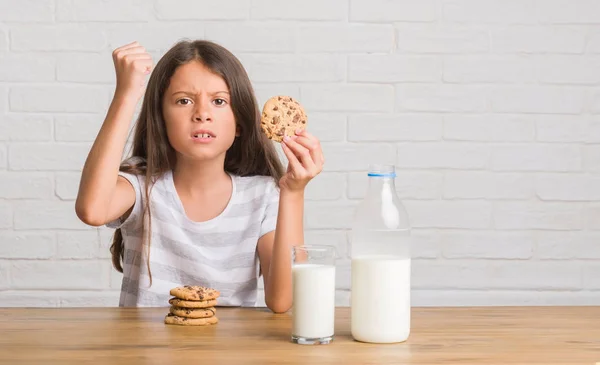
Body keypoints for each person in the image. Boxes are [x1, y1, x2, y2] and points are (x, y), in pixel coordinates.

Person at [74, 39, 324, 312]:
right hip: (145, 353)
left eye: (218, 101)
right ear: (161, 117)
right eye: (184, 101)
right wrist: (126, 93)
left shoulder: (262, 195)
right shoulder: (141, 185)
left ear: (239, 122)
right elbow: (93, 210)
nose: (202, 114)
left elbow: (281, 300)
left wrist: (294, 192)